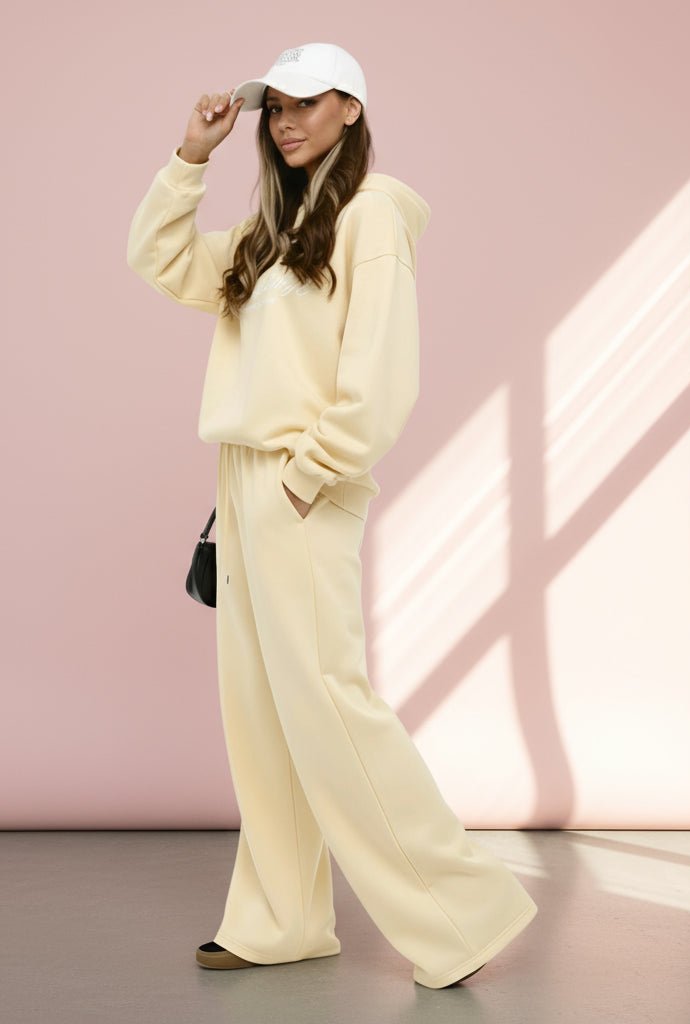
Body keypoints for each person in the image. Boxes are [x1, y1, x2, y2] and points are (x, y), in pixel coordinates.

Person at [126, 42, 537, 990]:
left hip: (300, 482)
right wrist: (193, 154)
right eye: (276, 108)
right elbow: (160, 260)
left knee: (329, 703)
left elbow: (381, 372)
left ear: (352, 108)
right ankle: (281, 920)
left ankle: (461, 911)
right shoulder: (275, 228)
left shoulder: (374, 213)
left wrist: (311, 474)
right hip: (247, 481)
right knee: (263, 716)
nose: (287, 122)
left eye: (309, 104)